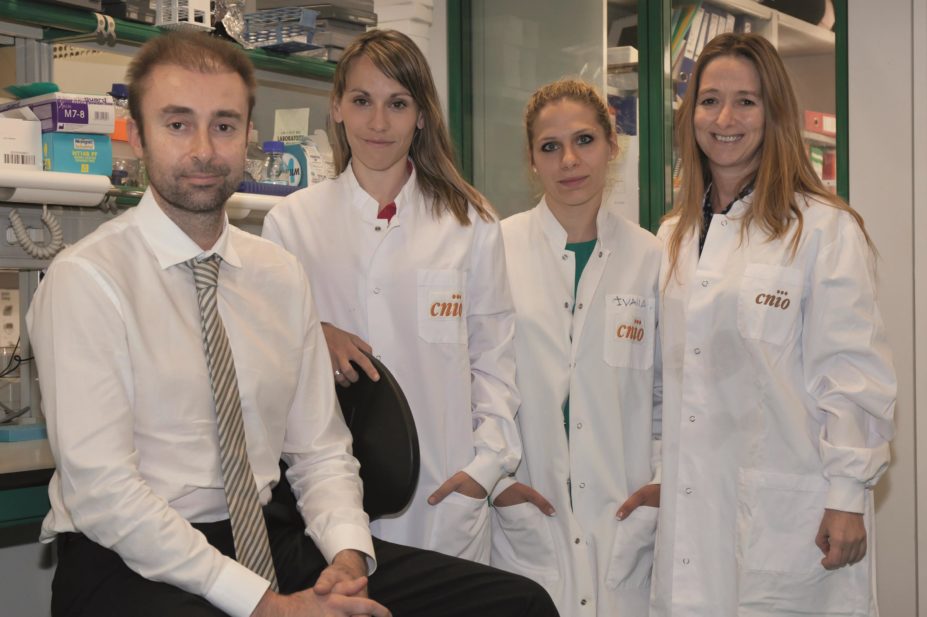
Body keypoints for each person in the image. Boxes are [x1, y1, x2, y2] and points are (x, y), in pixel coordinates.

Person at [27, 31, 559, 617]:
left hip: (267, 537)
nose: (203, 149)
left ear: (248, 137)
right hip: (128, 555)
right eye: (178, 124)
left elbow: (320, 451)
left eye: (224, 125)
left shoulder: (277, 276)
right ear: (137, 134)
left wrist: (348, 557)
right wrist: (267, 606)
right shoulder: (86, 280)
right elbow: (105, 494)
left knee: (517, 603)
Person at [647, 32, 896, 616]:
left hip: (791, 512)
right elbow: (666, 378)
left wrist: (847, 494)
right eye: (709, 101)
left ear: (774, 113)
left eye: (746, 102)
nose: (724, 119)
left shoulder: (823, 229)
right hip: (691, 512)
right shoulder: (672, 237)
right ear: (690, 114)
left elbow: (852, 375)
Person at [263, 29, 521, 564]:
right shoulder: (291, 224)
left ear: (421, 115)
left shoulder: (469, 222)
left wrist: (484, 468)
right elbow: (265, 360)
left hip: (444, 495)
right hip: (329, 498)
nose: (378, 123)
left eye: (398, 104)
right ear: (337, 108)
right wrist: (314, 336)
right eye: (362, 101)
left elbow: (494, 361)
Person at [490, 79, 662, 616]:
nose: (569, 160)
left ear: (612, 145)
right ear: (532, 160)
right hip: (527, 512)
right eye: (550, 146)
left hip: (624, 515)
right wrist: (497, 481)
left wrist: (661, 482)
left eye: (584, 140)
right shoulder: (496, 248)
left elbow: (670, 390)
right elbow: (471, 381)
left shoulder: (652, 258)